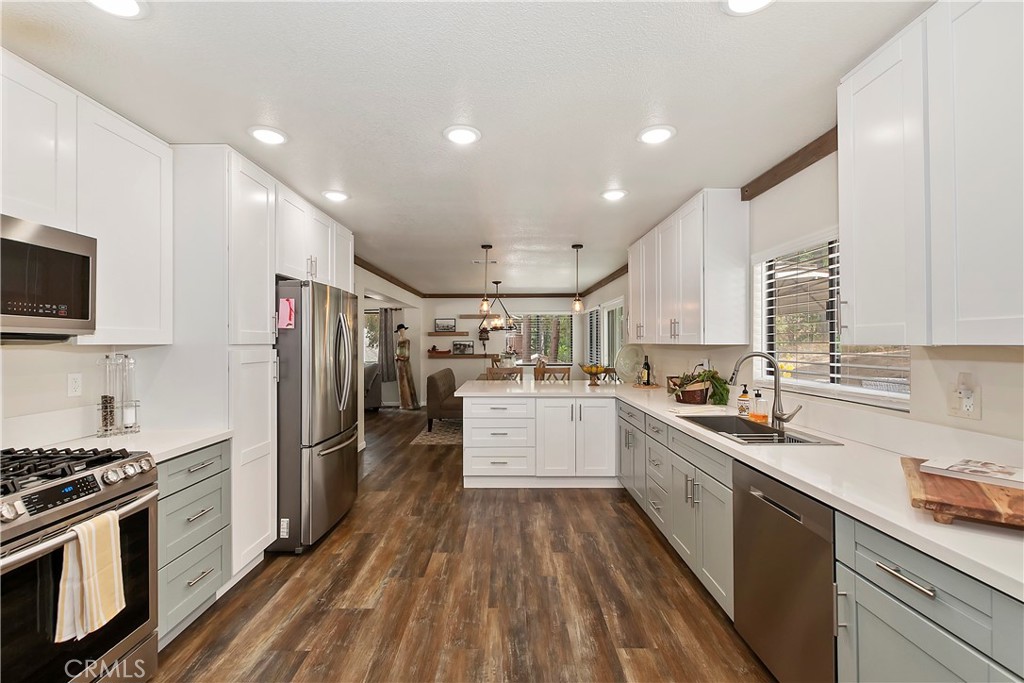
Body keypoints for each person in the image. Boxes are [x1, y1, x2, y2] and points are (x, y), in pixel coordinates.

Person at [394, 324, 419, 410]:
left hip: (405, 363)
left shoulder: (407, 341)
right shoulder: (398, 341)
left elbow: (407, 355)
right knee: (401, 384)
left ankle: (409, 403)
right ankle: (403, 403)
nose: (401, 332)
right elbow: (397, 352)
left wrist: (399, 357)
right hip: (399, 363)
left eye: (402, 330)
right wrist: (397, 357)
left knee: (406, 382)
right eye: (399, 331)